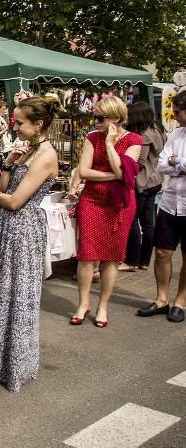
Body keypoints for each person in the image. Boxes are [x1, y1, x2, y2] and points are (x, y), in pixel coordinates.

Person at [0, 96, 60, 392]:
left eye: (20, 122)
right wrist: (8, 163)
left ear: (38, 125)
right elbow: (4, 188)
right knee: (0, 287)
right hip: (9, 229)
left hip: (23, 230)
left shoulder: (46, 155)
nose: (15, 127)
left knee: (16, 293)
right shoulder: (26, 151)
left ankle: (10, 364)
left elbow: (13, 201)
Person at [71, 96, 142, 328]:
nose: (96, 121)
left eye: (100, 117)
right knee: (86, 255)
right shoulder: (92, 137)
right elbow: (85, 171)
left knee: (111, 258)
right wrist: (116, 176)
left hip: (118, 205)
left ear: (116, 118)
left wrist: (110, 144)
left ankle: (102, 306)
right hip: (92, 200)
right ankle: (83, 304)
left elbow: (122, 168)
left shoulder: (134, 140)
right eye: (95, 116)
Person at [139, 90, 186, 323]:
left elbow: (171, 163)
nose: (174, 115)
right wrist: (177, 163)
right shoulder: (177, 133)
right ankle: (162, 299)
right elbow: (161, 164)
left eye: (178, 112)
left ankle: (180, 301)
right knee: (162, 251)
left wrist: (177, 161)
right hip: (170, 203)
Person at [120, 101, 166, 271]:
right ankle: (144, 261)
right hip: (155, 180)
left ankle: (132, 260)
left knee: (133, 220)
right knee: (148, 223)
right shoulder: (158, 129)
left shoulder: (145, 134)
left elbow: (139, 162)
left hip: (143, 182)